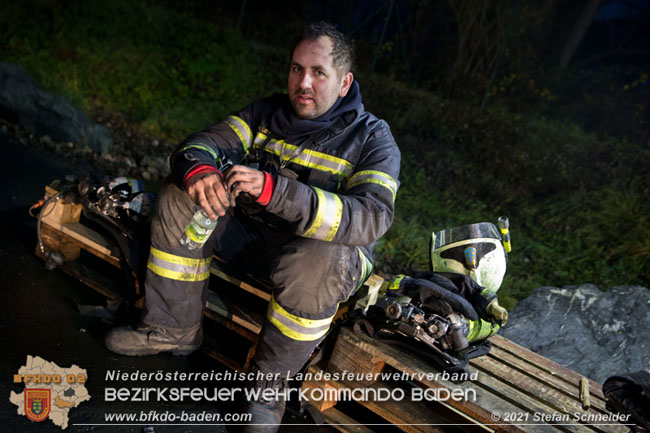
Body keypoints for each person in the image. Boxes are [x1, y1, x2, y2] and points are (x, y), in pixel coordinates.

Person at [105, 21, 400, 432]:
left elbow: (372, 216)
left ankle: (268, 391)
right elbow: (200, 143)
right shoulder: (266, 113)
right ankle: (171, 330)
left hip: (320, 264)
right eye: (297, 69)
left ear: (345, 82)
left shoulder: (371, 138)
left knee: (320, 258)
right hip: (255, 240)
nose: (304, 82)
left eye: (318, 73)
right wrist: (200, 171)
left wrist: (275, 191)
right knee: (177, 193)